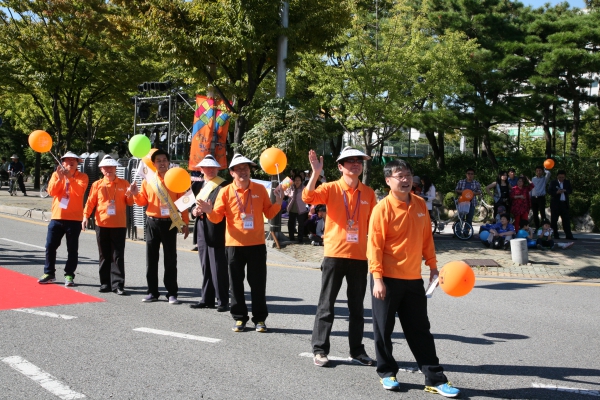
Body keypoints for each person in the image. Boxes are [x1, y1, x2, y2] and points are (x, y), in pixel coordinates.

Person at [367, 159, 460, 397]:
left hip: (413, 279)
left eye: (408, 174)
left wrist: (433, 267)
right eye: (400, 175)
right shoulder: (382, 208)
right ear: (388, 180)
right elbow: (374, 246)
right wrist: (377, 278)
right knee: (383, 329)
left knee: (420, 330)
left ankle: (435, 379)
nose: (406, 179)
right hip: (386, 279)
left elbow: (426, 240)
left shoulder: (419, 204)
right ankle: (387, 373)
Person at [302, 146, 377, 368]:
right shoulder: (331, 188)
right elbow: (308, 196)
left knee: (357, 308)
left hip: (359, 257)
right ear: (340, 167)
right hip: (334, 254)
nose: (355, 164)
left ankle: (357, 350)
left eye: (359, 161)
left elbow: (375, 225)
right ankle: (320, 349)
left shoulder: (369, 193)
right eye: (350, 161)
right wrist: (315, 173)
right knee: (326, 305)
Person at [197, 154, 283, 332]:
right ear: (232, 172)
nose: (243, 171)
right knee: (235, 284)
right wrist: (208, 211)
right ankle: (239, 318)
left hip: (257, 244)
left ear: (250, 170)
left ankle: (260, 319)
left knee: (258, 284)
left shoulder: (259, 189)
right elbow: (217, 217)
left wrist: (279, 202)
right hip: (234, 245)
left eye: (246, 168)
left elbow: (269, 213)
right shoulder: (225, 191)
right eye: (239, 169)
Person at [130, 149, 190, 304]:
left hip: (170, 223)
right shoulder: (148, 181)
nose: (162, 163)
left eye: (164, 160)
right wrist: (136, 193)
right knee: (151, 259)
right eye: (159, 161)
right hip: (152, 222)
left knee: (170, 260)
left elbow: (183, 203)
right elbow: (142, 202)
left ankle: (172, 293)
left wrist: (185, 223)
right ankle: (152, 292)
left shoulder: (175, 179)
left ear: (169, 162)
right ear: (154, 164)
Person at [82, 155, 133, 295]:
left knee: (117, 255)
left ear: (116, 168)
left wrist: (131, 194)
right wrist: (85, 216)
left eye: (111, 167)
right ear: (101, 170)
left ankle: (118, 284)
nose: (108, 170)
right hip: (101, 223)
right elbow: (91, 202)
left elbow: (130, 202)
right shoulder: (97, 184)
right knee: (104, 254)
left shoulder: (124, 183)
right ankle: (105, 283)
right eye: (105, 167)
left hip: (119, 224)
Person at [38, 152, 89, 286]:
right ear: (62, 162)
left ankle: (69, 275)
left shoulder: (82, 176)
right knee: (50, 246)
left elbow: (79, 191)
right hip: (57, 217)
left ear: (78, 163)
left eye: (74, 160)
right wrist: (61, 178)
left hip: (74, 219)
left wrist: (70, 177)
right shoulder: (56, 174)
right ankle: (49, 273)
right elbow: (51, 192)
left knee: (72, 249)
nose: (71, 162)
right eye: (67, 160)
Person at [189, 155, 229, 312]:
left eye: (213, 167)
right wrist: (194, 211)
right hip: (201, 226)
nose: (210, 170)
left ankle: (223, 300)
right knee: (205, 263)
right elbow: (188, 205)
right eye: (207, 167)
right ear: (201, 169)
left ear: (218, 169)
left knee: (218, 265)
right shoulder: (196, 186)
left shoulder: (224, 185)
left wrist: (209, 210)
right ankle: (207, 298)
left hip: (217, 226)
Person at [549, 170, 575, 240]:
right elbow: (549, 191)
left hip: (564, 203)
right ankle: (555, 235)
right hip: (556, 204)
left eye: (563, 177)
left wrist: (565, 190)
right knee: (554, 220)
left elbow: (570, 190)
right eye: (560, 177)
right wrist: (557, 192)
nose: (561, 179)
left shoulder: (567, 182)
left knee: (566, 220)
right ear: (557, 176)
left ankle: (569, 235)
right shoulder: (553, 182)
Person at [285, 175, 309, 243]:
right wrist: (288, 183)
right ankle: (291, 237)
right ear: (294, 181)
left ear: (301, 181)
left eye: (299, 180)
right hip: (292, 208)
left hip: (301, 209)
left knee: (301, 224)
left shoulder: (304, 188)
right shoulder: (291, 187)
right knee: (291, 224)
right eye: (296, 180)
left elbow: (308, 196)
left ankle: (300, 239)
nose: (297, 181)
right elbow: (285, 192)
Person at [530, 166, 551, 230]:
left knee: (542, 213)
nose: (538, 172)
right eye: (537, 171)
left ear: (542, 171)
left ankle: (544, 227)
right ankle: (537, 227)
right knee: (535, 213)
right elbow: (531, 188)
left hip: (541, 198)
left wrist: (545, 169)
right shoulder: (533, 178)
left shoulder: (544, 179)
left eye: (540, 170)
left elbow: (549, 173)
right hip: (534, 198)